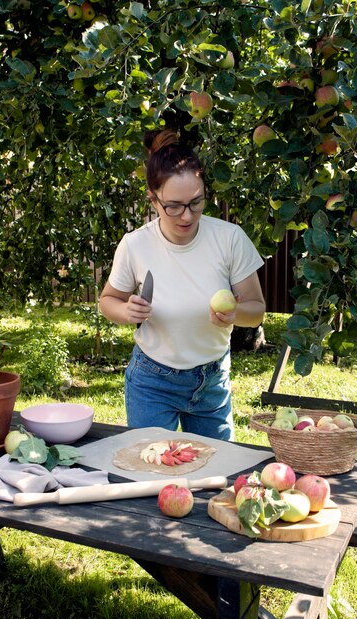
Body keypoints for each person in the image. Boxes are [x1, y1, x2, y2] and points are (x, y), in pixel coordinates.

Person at [99, 129, 266, 441]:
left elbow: (256, 311)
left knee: (217, 474)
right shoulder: (135, 245)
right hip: (153, 381)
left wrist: (235, 315)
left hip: (212, 381)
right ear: (152, 198)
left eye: (196, 202)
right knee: (150, 470)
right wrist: (126, 311)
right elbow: (108, 301)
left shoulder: (229, 238)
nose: (187, 216)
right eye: (173, 205)